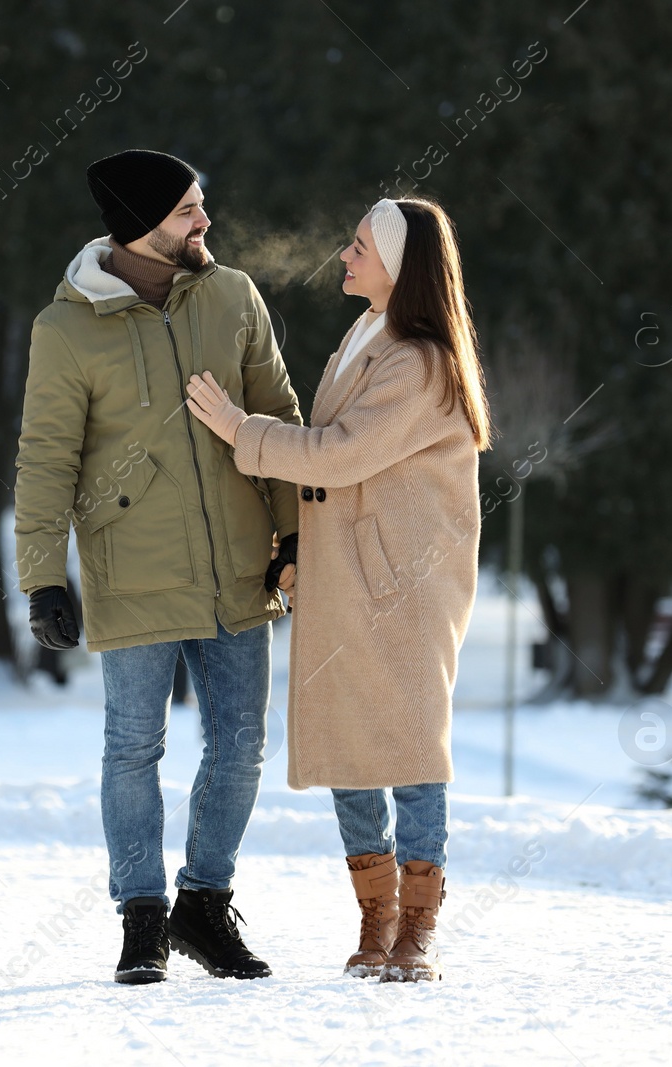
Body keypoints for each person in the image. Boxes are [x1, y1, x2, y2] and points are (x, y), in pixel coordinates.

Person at [13, 149, 304, 984]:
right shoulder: (66, 329)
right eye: (187, 211)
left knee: (242, 745)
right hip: (132, 568)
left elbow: (277, 414)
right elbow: (44, 461)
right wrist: (41, 574)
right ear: (138, 225)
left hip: (241, 564)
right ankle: (141, 917)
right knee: (134, 746)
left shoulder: (233, 295)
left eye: (201, 204)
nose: (205, 221)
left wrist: (290, 536)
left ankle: (203, 907)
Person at [185, 197, 492, 982]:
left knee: (414, 746)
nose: (345, 255)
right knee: (354, 747)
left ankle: (417, 926)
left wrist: (236, 428)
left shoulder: (418, 359)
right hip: (351, 579)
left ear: (398, 265)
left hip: (405, 584)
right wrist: (299, 552)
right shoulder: (365, 338)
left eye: (359, 245)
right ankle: (376, 914)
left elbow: (338, 454)